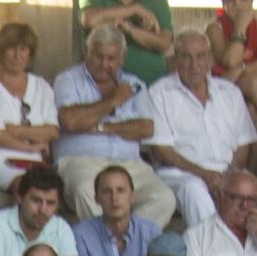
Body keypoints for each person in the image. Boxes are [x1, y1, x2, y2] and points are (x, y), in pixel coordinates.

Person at [49, 23, 170, 229]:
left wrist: (101, 127)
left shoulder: (134, 83)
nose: (104, 63)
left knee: (164, 198)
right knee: (85, 190)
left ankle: (127, 243)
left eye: (111, 58)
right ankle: (109, 246)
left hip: (130, 164)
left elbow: (145, 128)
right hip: (81, 162)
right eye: (98, 56)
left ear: (122, 59)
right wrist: (112, 101)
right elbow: (70, 121)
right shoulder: (68, 80)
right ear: (87, 53)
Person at [147, 27, 257, 231]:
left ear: (210, 59)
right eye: (186, 57)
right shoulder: (159, 93)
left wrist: (229, 176)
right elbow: (161, 150)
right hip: (181, 174)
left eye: (200, 57)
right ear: (175, 60)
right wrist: (203, 174)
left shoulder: (229, 92)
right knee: (195, 190)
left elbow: (243, 144)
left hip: (226, 172)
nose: (194, 65)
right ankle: (212, 255)